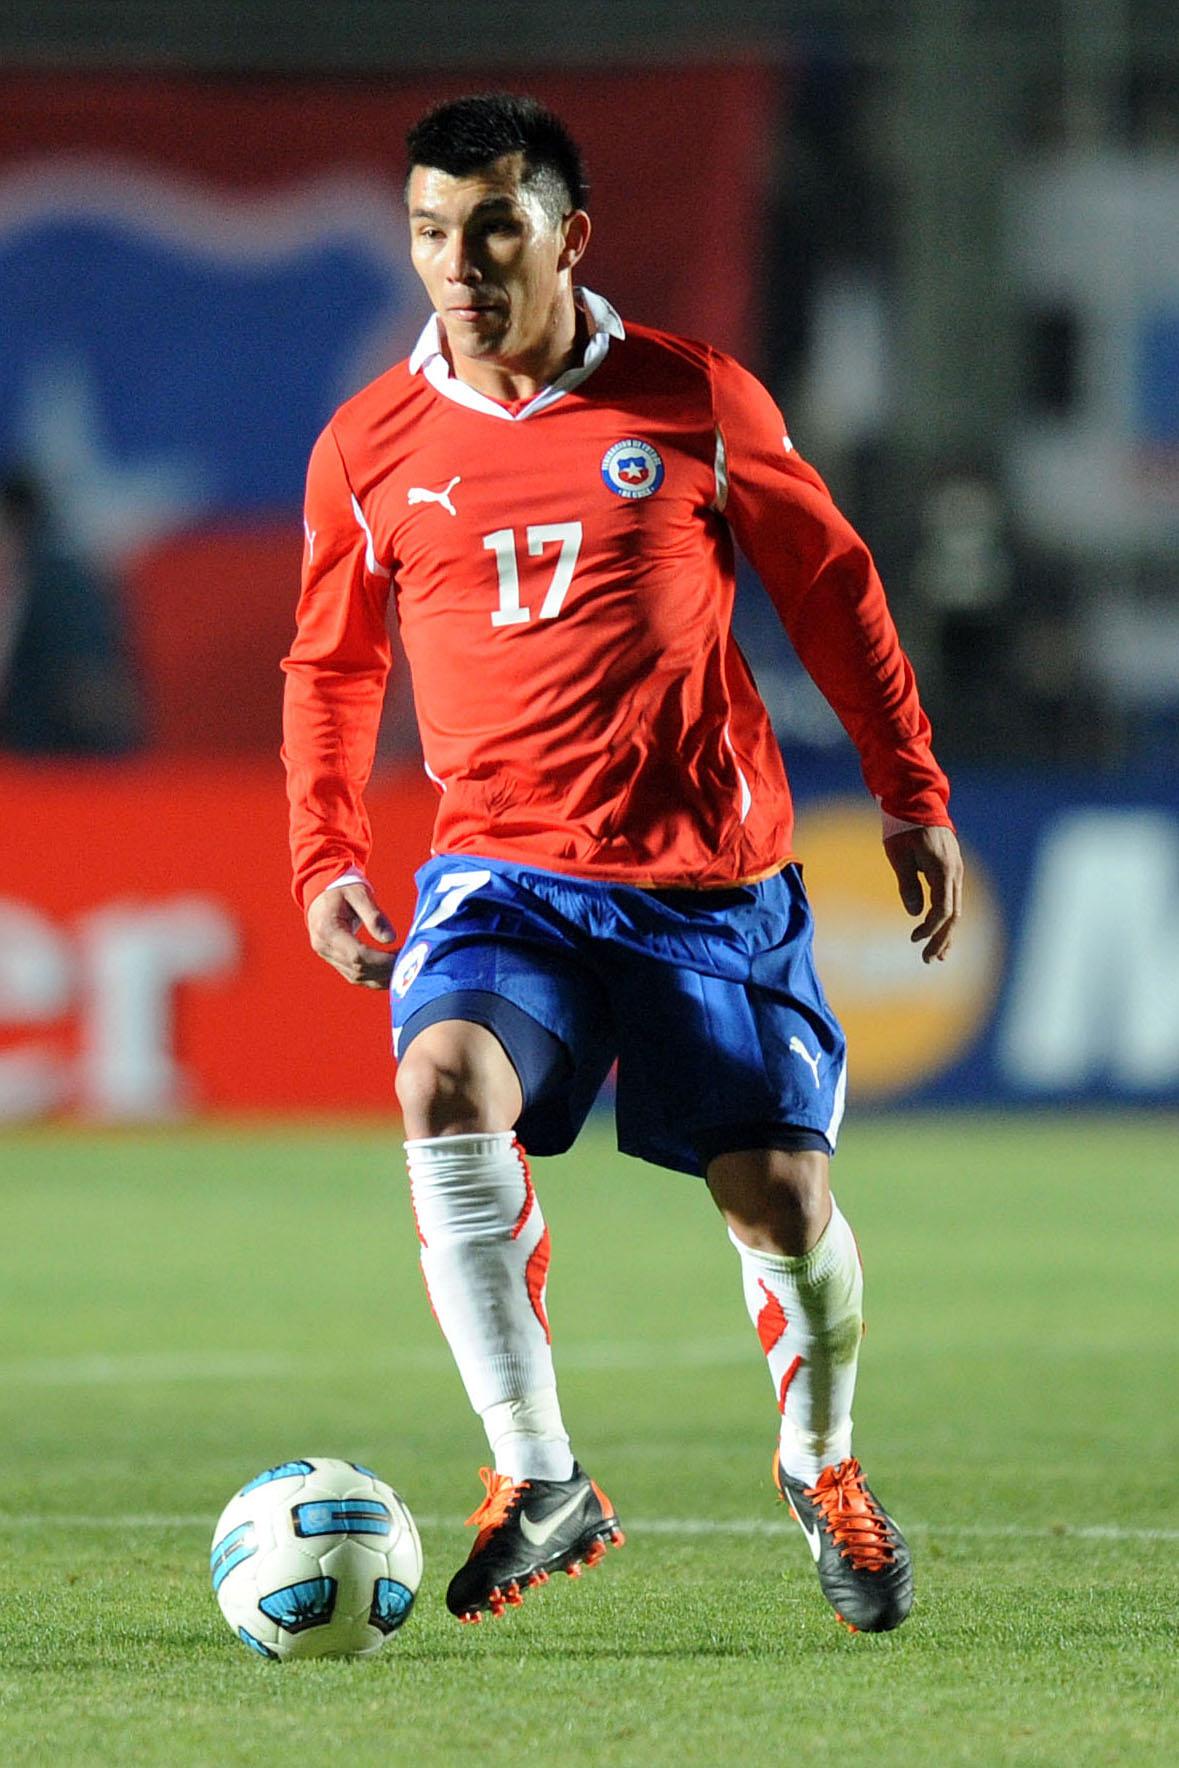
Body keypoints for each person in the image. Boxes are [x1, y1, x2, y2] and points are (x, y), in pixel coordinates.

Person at [282, 93, 962, 1634]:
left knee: (778, 1201)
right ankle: (540, 1475)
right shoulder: (370, 445)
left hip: (705, 881)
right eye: (430, 232)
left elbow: (833, 586)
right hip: (504, 872)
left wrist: (908, 786)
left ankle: (822, 1466)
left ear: (570, 236)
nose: (459, 264)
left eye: (493, 228)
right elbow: (332, 665)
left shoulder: (693, 398)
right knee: (442, 1082)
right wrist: (325, 850)